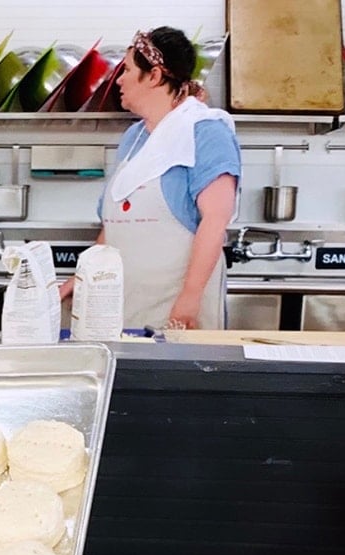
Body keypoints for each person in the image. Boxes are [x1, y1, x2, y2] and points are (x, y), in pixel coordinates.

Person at [60, 27, 241, 330]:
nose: (118, 79)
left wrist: (190, 298)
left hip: (177, 311)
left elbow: (215, 220)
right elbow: (114, 227)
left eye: (127, 70)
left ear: (154, 75)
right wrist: (80, 278)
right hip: (124, 305)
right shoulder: (134, 137)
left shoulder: (207, 132)